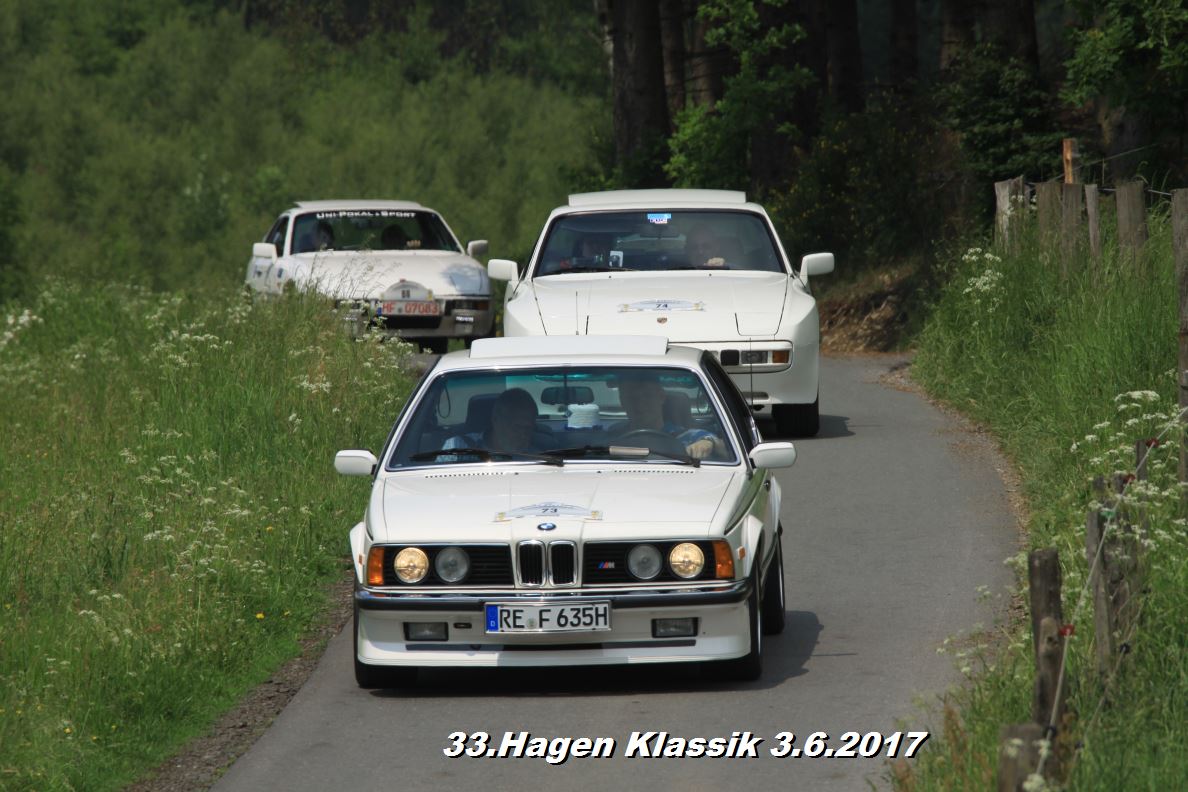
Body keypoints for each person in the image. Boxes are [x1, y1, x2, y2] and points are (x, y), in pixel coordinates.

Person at [611, 374, 724, 460]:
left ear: (661, 397)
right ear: (622, 401)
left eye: (647, 396)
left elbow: (723, 448)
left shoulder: (686, 436)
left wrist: (708, 443)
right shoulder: (612, 435)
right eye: (632, 398)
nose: (640, 404)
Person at [444, 388, 544, 455]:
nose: (523, 435)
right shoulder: (457, 447)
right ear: (496, 421)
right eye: (516, 427)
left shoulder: (538, 457)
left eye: (528, 428)